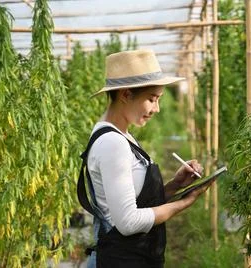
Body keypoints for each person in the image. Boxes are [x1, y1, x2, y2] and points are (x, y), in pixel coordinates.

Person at [77, 49, 211, 268]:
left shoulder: (119, 135)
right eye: (152, 99)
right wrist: (183, 203)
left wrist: (176, 185)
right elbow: (128, 222)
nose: (156, 109)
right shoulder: (114, 143)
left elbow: (135, 204)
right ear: (126, 94)